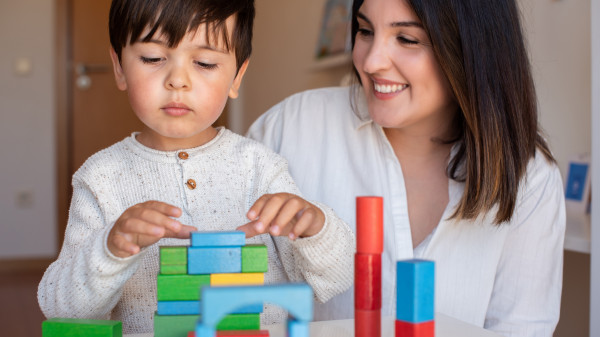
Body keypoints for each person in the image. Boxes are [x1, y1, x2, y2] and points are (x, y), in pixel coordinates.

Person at [247, 0, 566, 336]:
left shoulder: (530, 179)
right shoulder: (289, 129)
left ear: (473, 47)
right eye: (366, 31)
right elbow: (235, 299)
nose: (371, 62)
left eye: (408, 40)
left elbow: (519, 329)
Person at [37, 0, 355, 333]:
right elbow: (63, 310)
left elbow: (334, 280)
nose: (178, 80)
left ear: (237, 76)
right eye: (152, 58)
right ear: (119, 67)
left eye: (204, 62)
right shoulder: (100, 178)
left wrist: (314, 226)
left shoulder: (260, 166)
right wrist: (111, 248)